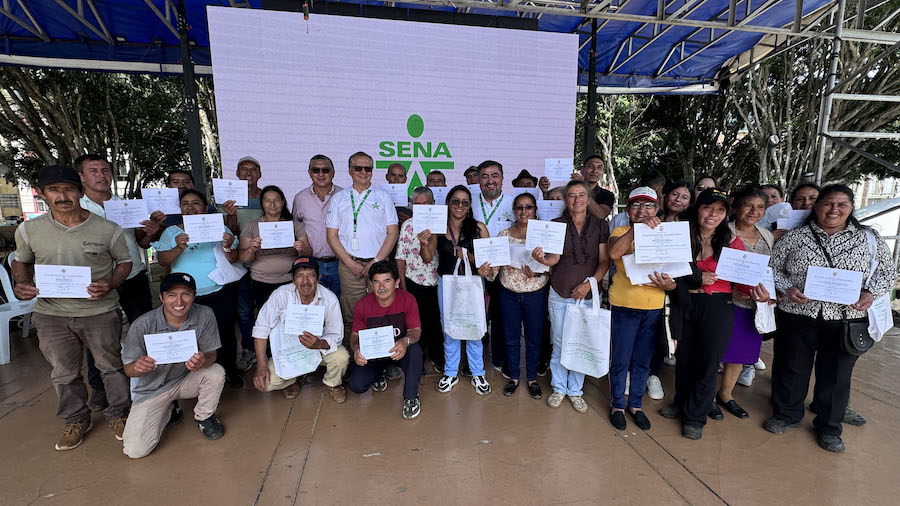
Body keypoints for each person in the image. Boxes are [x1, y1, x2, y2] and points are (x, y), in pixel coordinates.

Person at [765, 184, 894, 453]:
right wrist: (787, 287)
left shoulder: (868, 239)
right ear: (817, 207)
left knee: (836, 375)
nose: (834, 209)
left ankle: (829, 427)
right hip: (798, 313)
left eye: (842, 204)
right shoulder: (796, 237)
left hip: (846, 317)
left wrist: (870, 293)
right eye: (827, 203)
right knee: (791, 366)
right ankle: (787, 414)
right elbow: (772, 267)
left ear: (850, 208)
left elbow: (887, 273)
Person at [12, 165, 132, 450]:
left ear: (80, 192)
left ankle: (120, 414)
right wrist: (21, 282)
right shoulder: (29, 230)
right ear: (42, 194)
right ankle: (76, 419)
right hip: (52, 313)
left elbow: (124, 263)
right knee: (64, 372)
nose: (62, 196)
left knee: (111, 367)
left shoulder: (107, 229)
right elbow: (21, 260)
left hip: (99, 311)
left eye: (69, 189)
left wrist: (111, 283)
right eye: (54, 190)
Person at [658, 189, 768, 440]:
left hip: (717, 306)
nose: (713, 214)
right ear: (697, 208)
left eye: (720, 210)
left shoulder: (731, 242)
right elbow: (663, 266)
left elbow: (743, 282)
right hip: (683, 302)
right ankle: (681, 402)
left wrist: (758, 292)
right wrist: (694, 277)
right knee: (684, 358)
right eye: (708, 207)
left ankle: (695, 417)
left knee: (707, 362)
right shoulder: (680, 235)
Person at [75, 153, 160, 412]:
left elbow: (140, 243)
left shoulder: (126, 205)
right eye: (93, 171)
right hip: (97, 282)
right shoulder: (77, 208)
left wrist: (150, 233)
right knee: (98, 337)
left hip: (132, 276)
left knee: (143, 329)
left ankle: (151, 378)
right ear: (81, 177)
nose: (101, 175)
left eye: (105, 170)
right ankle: (100, 387)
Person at [121, 273, 226, 458]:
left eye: (185, 294)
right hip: (154, 389)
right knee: (135, 451)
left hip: (186, 379)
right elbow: (128, 370)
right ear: (161, 297)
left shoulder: (204, 314)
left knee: (215, 372)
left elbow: (212, 355)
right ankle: (170, 409)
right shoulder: (142, 325)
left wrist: (203, 361)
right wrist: (137, 367)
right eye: (171, 295)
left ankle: (204, 417)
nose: (179, 301)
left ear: (194, 295)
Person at [534, 180, 610, 413]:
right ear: (565, 200)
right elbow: (554, 259)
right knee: (559, 342)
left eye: (581, 195)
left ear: (588, 198)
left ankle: (575, 391)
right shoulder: (556, 224)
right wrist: (542, 260)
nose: (577, 200)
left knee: (580, 343)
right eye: (572, 196)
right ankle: (559, 387)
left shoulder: (599, 225)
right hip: (559, 290)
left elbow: (605, 260)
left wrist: (590, 284)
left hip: (585, 293)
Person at [156, 189, 243, 388]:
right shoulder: (172, 232)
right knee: (190, 336)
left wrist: (228, 246)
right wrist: (178, 247)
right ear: (180, 209)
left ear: (205, 207)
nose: (191, 207)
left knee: (224, 333)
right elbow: (162, 260)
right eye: (185, 204)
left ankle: (229, 370)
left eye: (196, 203)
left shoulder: (218, 227)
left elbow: (234, 258)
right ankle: (193, 378)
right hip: (185, 296)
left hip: (218, 289)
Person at [606, 187, 675, 431]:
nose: (642, 210)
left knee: (642, 361)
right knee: (620, 359)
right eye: (636, 205)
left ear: (657, 209)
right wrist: (638, 229)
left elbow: (676, 270)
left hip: (654, 307)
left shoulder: (666, 233)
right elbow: (614, 252)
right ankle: (617, 404)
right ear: (628, 209)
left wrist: (672, 283)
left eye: (648, 206)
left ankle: (635, 404)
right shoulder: (621, 230)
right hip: (624, 305)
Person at [422, 185, 492, 395]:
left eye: (464, 202)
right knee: (449, 327)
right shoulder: (438, 227)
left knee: (473, 325)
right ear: (448, 203)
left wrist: (469, 257)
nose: (459, 206)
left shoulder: (478, 227)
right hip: (448, 283)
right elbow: (427, 258)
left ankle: (477, 372)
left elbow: (489, 259)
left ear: (470, 206)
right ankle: (451, 372)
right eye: (455, 201)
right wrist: (424, 242)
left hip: (472, 284)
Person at [478, 192, 548, 399]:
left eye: (528, 207)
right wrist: (486, 272)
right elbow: (494, 270)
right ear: (514, 211)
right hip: (508, 293)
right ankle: (514, 377)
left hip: (535, 293)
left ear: (535, 210)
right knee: (510, 337)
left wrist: (539, 271)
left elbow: (555, 265)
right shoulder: (503, 235)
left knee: (535, 339)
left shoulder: (544, 234)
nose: (524, 211)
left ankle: (533, 378)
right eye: (519, 207)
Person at [251, 257, 350, 403]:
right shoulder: (281, 294)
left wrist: (319, 344)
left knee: (341, 357)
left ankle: (332, 384)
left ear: (318, 278)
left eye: (310, 275)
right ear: (292, 279)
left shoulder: (329, 299)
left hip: (318, 348)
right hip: (289, 352)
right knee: (266, 383)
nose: (305, 281)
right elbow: (261, 328)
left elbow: (336, 334)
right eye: (299, 276)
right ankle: (293, 380)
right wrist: (261, 365)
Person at [326, 151, 399, 343]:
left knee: (384, 312)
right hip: (350, 266)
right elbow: (331, 235)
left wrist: (376, 262)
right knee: (351, 314)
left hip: (380, 266)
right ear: (350, 171)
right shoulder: (339, 198)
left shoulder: (383, 197)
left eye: (368, 168)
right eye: (358, 168)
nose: (363, 172)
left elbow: (392, 233)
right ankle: (355, 357)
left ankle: (385, 359)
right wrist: (350, 263)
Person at [716, 188, 775, 419]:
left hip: (754, 305)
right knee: (715, 351)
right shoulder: (723, 232)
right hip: (725, 301)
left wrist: (767, 294)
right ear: (736, 208)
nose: (754, 211)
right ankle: (704, 395)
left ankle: (725, 394)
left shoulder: (766, 235)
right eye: (748, 205)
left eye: (760, 207)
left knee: (739, 354)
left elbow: (770, 269)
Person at [347, 261, 424, 419]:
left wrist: (405, 341)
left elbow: (415, 331)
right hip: (374, 355)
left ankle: (411, 397)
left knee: (415, 351)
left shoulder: (407, 300)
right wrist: (356, 350)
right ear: (371, 284)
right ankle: (379, 372)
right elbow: (355, 336)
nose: (382, 287)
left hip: (399, 350)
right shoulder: (363, 305)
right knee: (356, 385)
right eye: (377, 282)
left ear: (396, 283)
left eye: (387, 281)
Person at [645, 179, 697, 399]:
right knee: (644, 332)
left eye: (684, 197)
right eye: (675, 194)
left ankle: (653, 374)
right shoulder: (648, 219)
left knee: (662, 332)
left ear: (688, 204)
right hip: (645, 282)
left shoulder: (690, 228)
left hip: (672, 288)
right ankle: (638, 371)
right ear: (665, 196)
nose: (678, 200)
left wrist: (674, 285)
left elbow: (691, 265)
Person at [220, 156, 264, 372]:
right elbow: (227, 236)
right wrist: (230, 216)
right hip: (239, 267)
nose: (248, 173)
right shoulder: (226, 202)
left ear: (260, 174)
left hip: (265, 263)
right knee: (245, 312)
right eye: (243, 169)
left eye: (253, 169)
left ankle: (270, 349)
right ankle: (249, 349)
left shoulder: (267, 198)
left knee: (266, 309)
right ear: (236, 174)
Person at [239, 185, 312, 312]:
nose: (272, 204)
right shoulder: (252, 226)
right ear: (262, 203)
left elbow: (309, 253)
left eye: (276, 200)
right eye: (267, 200)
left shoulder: (294, 225)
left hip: (290, 282)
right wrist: (251, 249)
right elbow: (243, 258)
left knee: (290, 318)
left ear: (283, 202)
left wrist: (302, 249)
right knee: (267, 319)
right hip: (261, 282)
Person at [471, 160, 514, 373]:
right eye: (485, 176)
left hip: (504, 269)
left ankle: (499, 357)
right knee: (473, 313)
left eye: (494, 175)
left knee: (500, 316)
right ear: (478, 181)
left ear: (502, 178)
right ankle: (471, 361)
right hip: (475, 267)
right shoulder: (469, 203)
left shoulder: (514, 203)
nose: (490, 181)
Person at [396, 187, 443, 373]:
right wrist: (404, 286)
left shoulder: (441, 224)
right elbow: (400, 257)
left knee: (437, 322)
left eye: (426, 204)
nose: (422, 208)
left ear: (432, 204)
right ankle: (418, 359)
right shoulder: (408, 225)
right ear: (413, 206)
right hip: (414, 281)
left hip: (439, 281)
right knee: (417, 323)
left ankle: (438, 356)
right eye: (418, 205)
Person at [292, 154, 343, 297]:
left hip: (340, 264)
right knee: (315, 306)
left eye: (325, 170)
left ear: (333, 173)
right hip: (312, 264)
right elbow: (295, 227)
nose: (321, 174)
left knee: (340, 307)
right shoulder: (300, 198)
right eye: (316, 170)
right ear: (309, 173)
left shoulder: (344, 195)